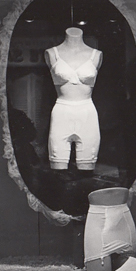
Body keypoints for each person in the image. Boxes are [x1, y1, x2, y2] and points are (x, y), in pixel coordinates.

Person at [45, 27, 102, 171]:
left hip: (87, 113)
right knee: (58, 171)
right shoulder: (52, 53)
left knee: (87, 169)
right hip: (61, 112)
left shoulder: (96, 55)